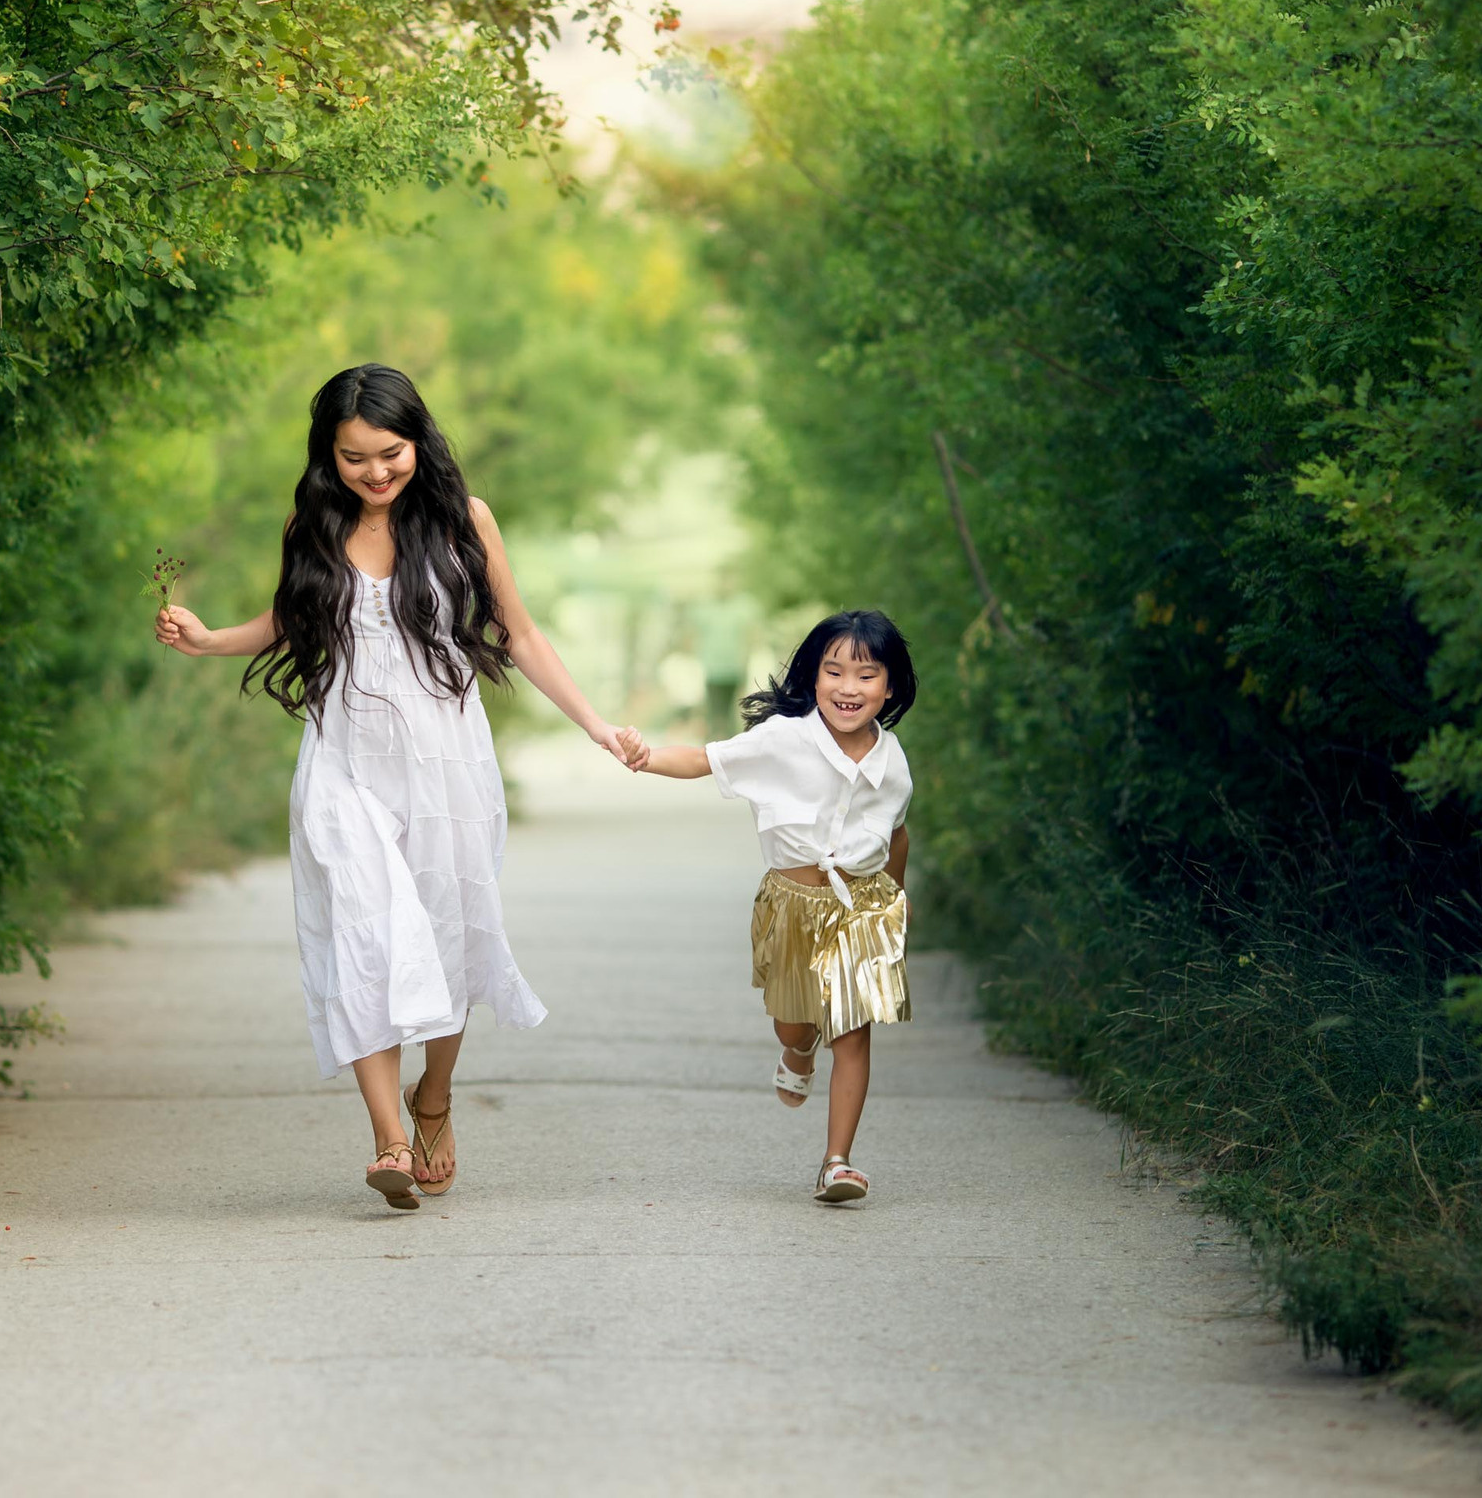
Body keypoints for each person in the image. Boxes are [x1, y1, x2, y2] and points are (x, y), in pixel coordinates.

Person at [155, 364, 634, 1209]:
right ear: (327, 457)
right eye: (353, 458)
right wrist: (207, 638)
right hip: (344, 761)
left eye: (390, 452)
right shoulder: (313, 523)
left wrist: (594, 724)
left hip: (448, 765)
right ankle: (387, 1139)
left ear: (418, 440)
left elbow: (519, 634)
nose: (375, 472)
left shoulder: (463, 521)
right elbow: (290, 618)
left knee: (449, 938)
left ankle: (433, 1099)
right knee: (363, 936)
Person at [618, 611, 917, 1203]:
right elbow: (706, 759)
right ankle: (796, 1047)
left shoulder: (893, 762)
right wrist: (643, 755)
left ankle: (837, 1161)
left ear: (890, 687)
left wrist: (896, 909)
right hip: (792, 905)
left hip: (860, 909)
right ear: (813, 676)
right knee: (794, 1016)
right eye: (834, 672)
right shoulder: (786, 739)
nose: (848, 688)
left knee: (852, 1033)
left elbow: (897, 835)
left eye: (866, 675)